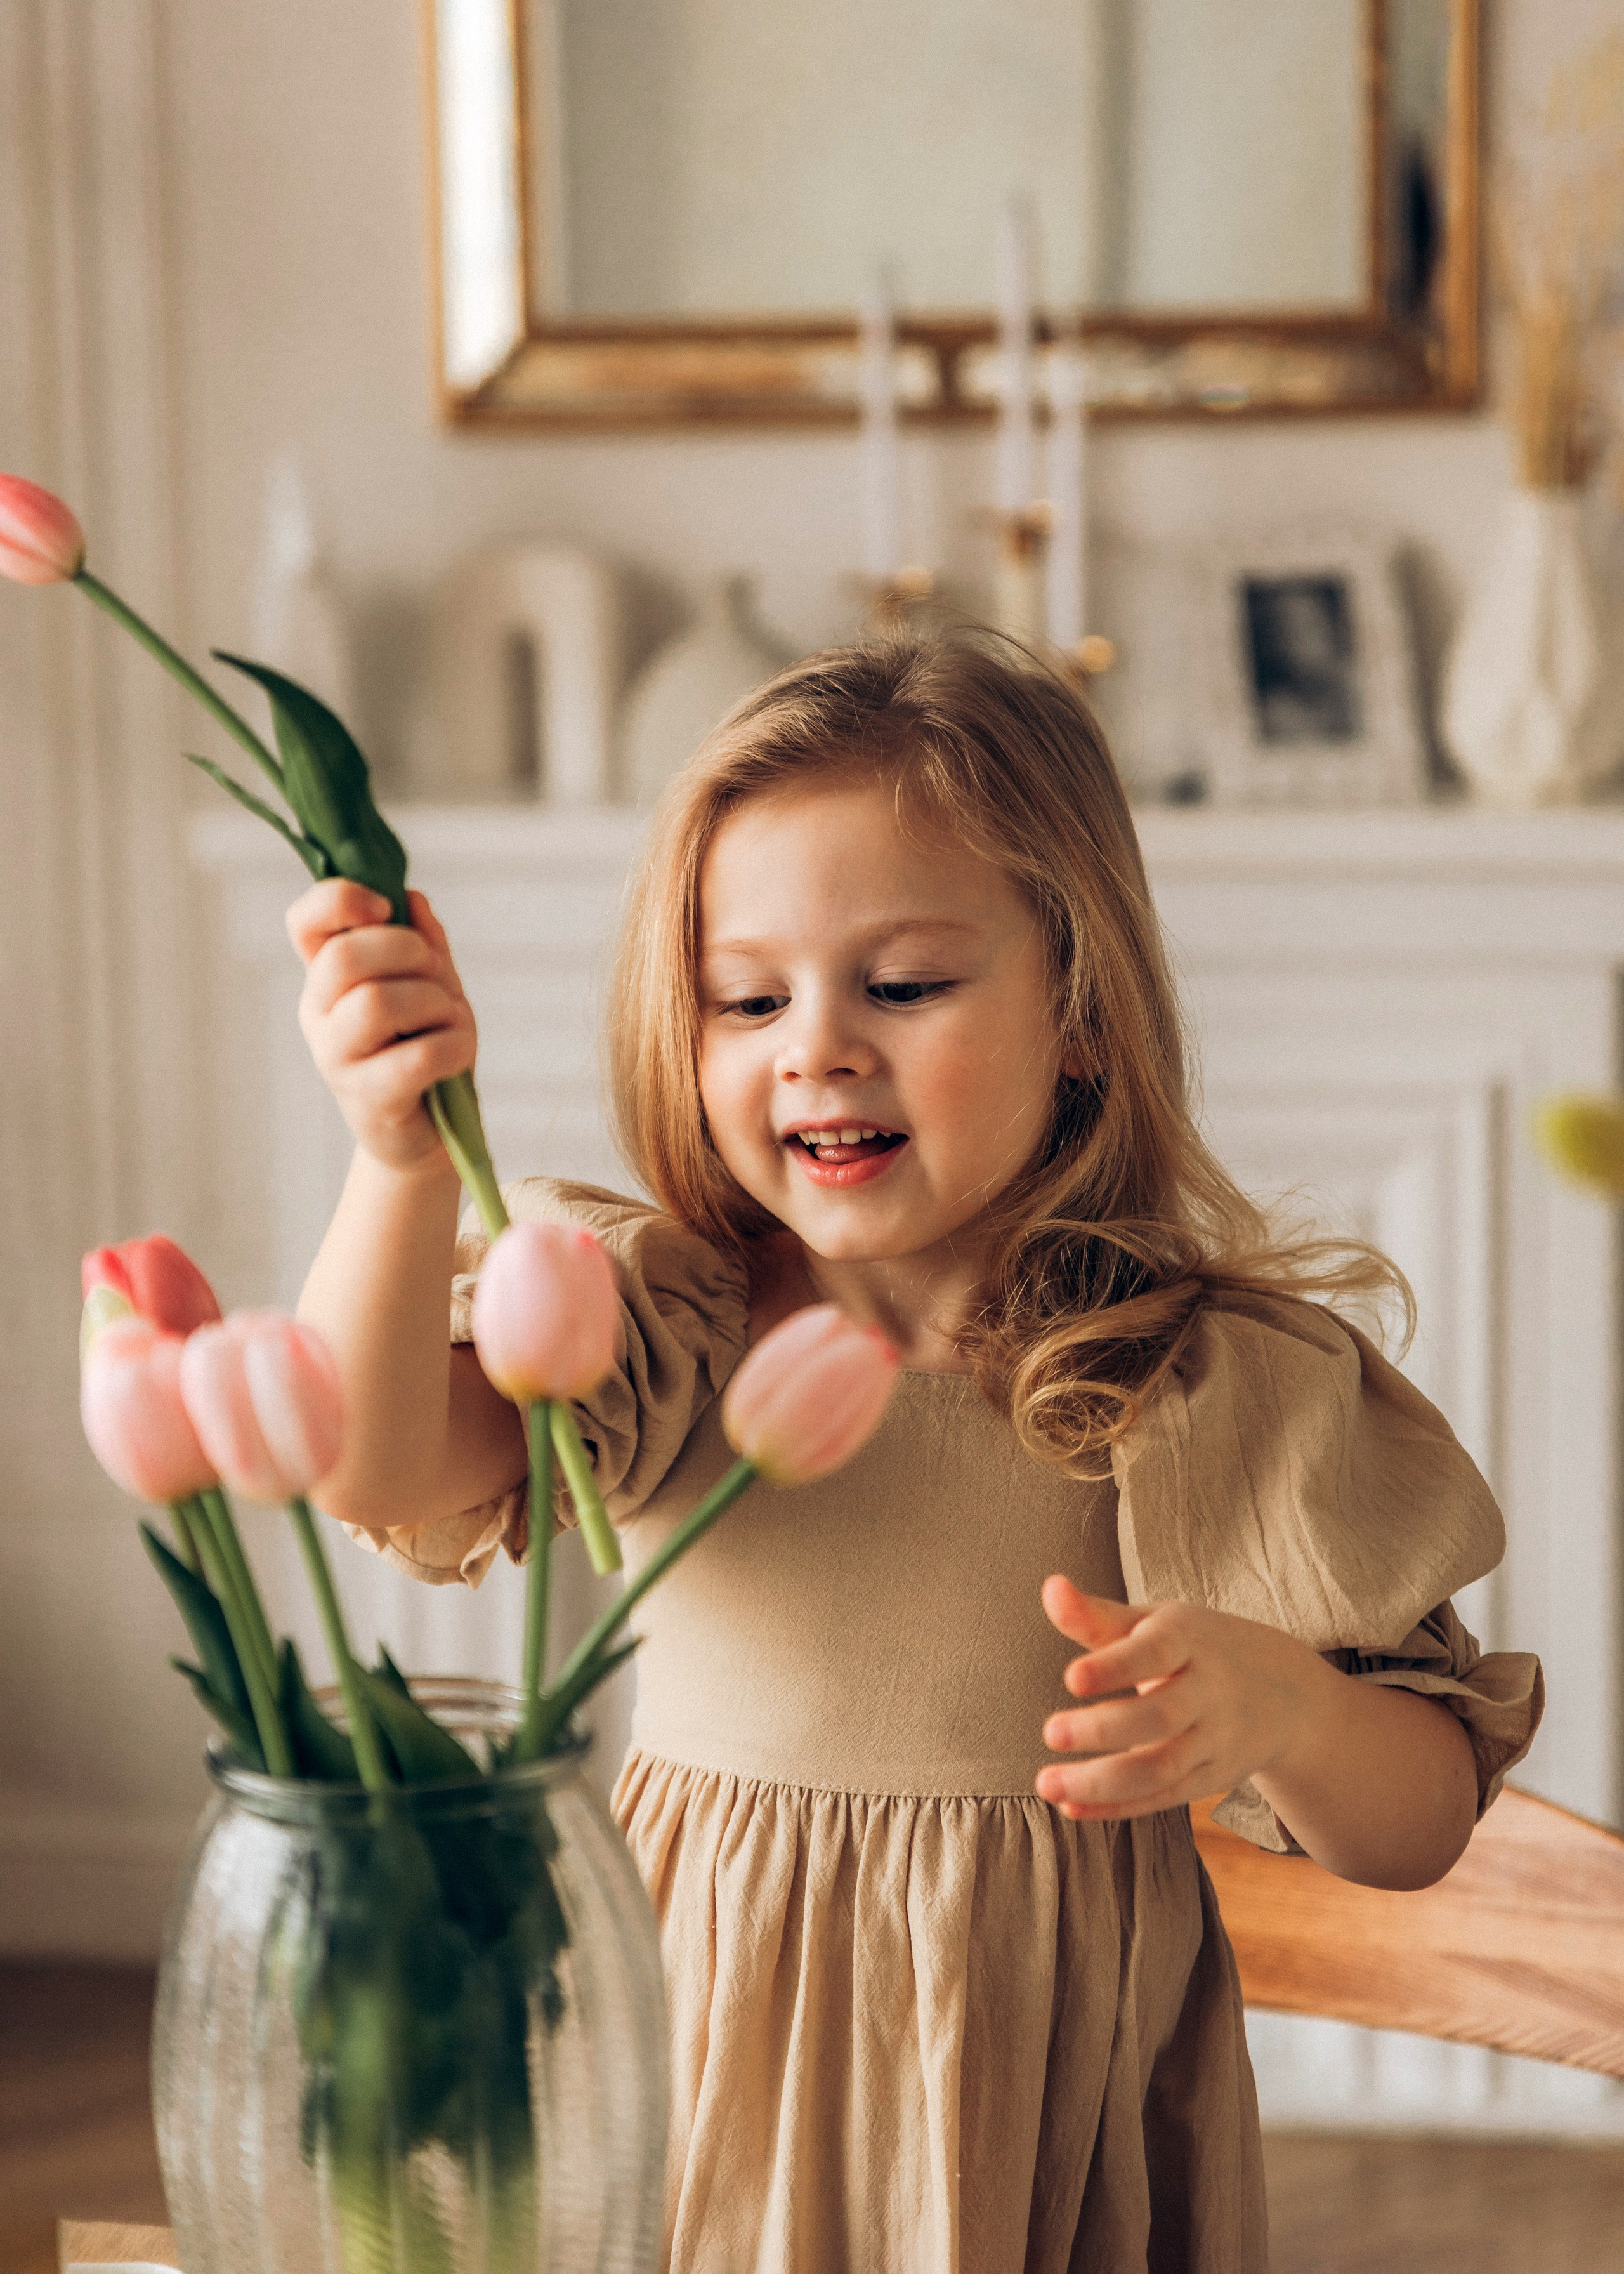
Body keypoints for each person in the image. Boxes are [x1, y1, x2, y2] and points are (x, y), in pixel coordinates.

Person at [289, 629, 1542, 2272]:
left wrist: (1289, 1704)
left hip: (1036, 2101)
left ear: (1081, 1013)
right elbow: (375, 1462)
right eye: (749, 996)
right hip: (690, 2065)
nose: (817, 1043)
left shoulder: (1187, 1380)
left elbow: (1418, 1825)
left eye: (902, 984)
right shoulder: (660, 1326)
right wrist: (397, 1164)